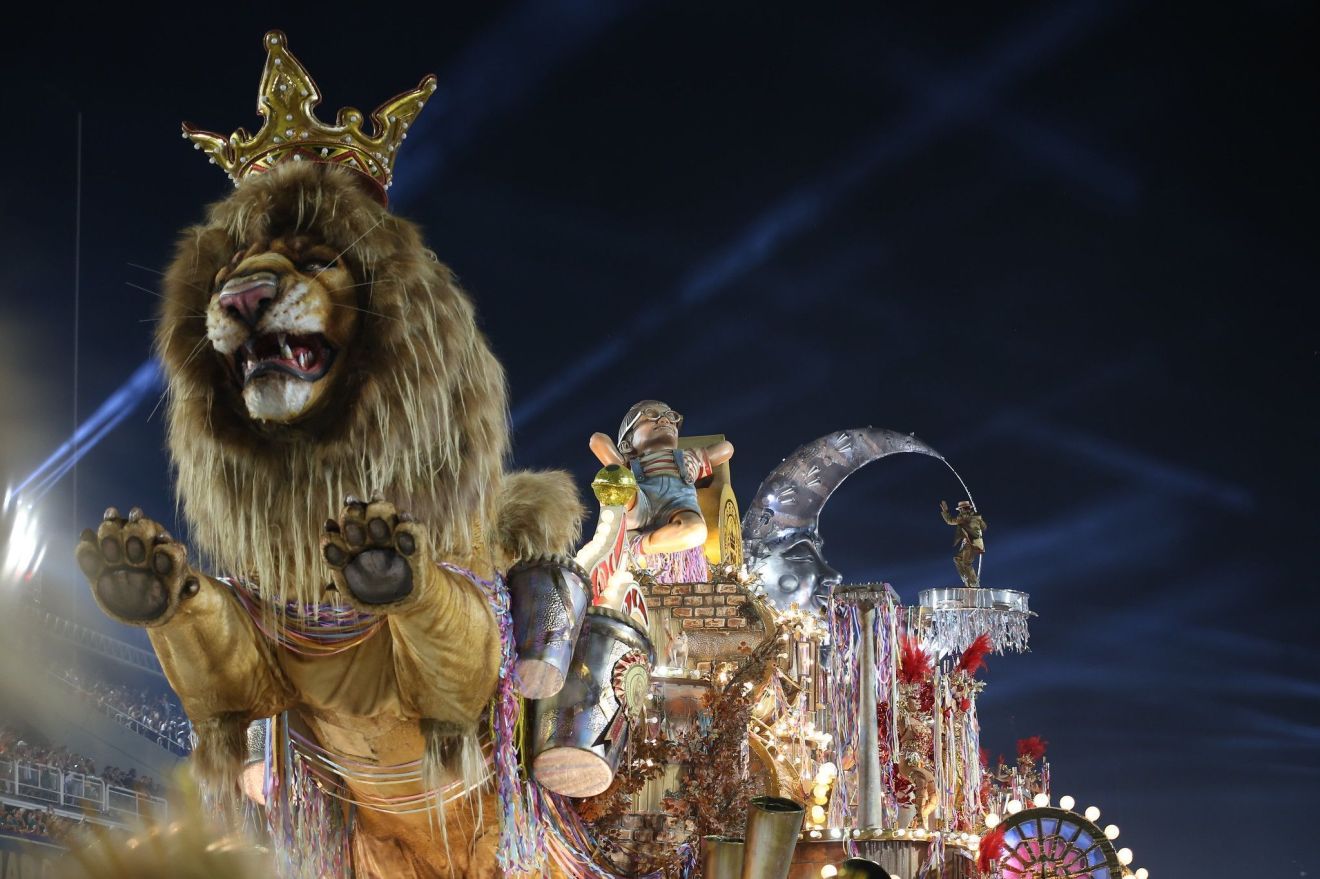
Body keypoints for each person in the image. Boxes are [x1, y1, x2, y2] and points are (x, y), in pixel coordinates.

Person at [590, 400, 733, 577]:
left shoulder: (688, 457)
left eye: (671, 417)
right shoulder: (632, 463)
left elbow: (726, 449)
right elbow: (597, 440)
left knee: (695, 532)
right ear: (628, 444)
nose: (664, 420)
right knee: (616, 477)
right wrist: (619, 463)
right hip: (641, 503)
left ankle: (638, 545)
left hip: (678, 505)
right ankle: (628, 532)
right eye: (651, 415)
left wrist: (701, 453)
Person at [940, 499, 986, 588]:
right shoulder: (976, 517)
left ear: (963, 509)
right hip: (972, 543)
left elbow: (950, 521)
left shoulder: (964, 517)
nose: (960, 512)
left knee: (966, 563)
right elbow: (984, 527)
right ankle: (966, 579)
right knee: (957, 559)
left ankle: (973, 583)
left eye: (961, 510)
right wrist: (978, 520)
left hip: (971, 544)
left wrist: (945, 512)